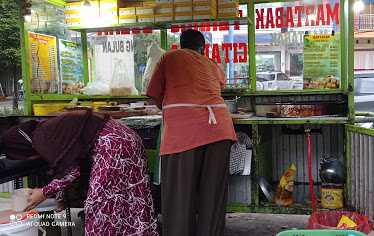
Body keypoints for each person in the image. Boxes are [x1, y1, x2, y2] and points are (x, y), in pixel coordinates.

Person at [1, 110, 158, 236]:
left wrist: (43, 192)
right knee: (130, 199)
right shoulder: (48, 129)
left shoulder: (42, 138)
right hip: (129, 139)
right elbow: (75, 160)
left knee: (99, 206)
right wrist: (60, 197)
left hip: (113, 145)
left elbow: (71, 171)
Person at [147, 29, 237, 236]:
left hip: (184, 133)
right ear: (202, 48)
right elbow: (217, 86)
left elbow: (153, 93)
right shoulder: (211, 64)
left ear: (180, 44)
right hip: (220, 130)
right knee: (212, 195)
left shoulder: (169, 57)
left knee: (180, 195)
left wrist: (175, 111)